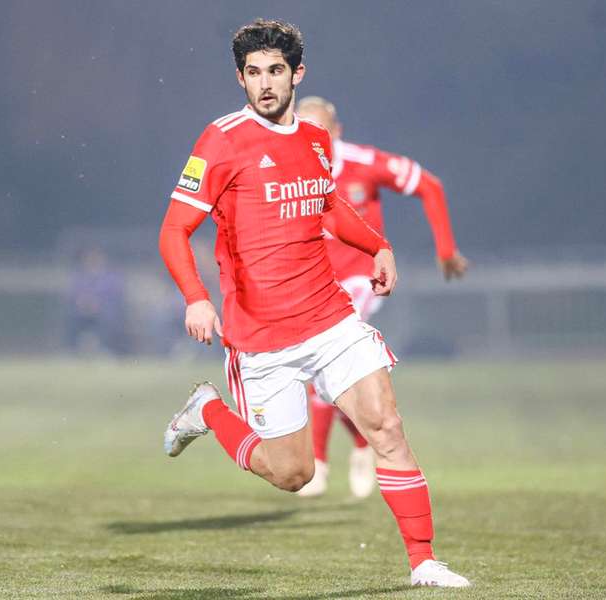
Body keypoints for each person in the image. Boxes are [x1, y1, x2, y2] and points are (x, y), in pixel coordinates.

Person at [157, 19, 470, 588]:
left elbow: (326, 209)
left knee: (387, 426)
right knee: (293, 473)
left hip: (329, 319)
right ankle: (206, 410)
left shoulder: (316, 141)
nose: (264, 84)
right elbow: (173, 231)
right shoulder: (221, 140)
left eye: (275, 71)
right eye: (252, 74)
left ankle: (423, 561)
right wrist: (197, 299)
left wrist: (378, 245)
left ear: (297, 73)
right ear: (240, 78)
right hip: (261, 339)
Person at [295, 96, 468, 498]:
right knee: (318, 371)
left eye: (319, 129)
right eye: (303, 128)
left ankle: (318, 464)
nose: (311, 137)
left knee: (323, 355)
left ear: (336, 132)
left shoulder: (365, 163)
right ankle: (360, 444)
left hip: (360, 279)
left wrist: (445, 249)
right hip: (310, 282)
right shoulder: (286, 169)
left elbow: (430, 185)